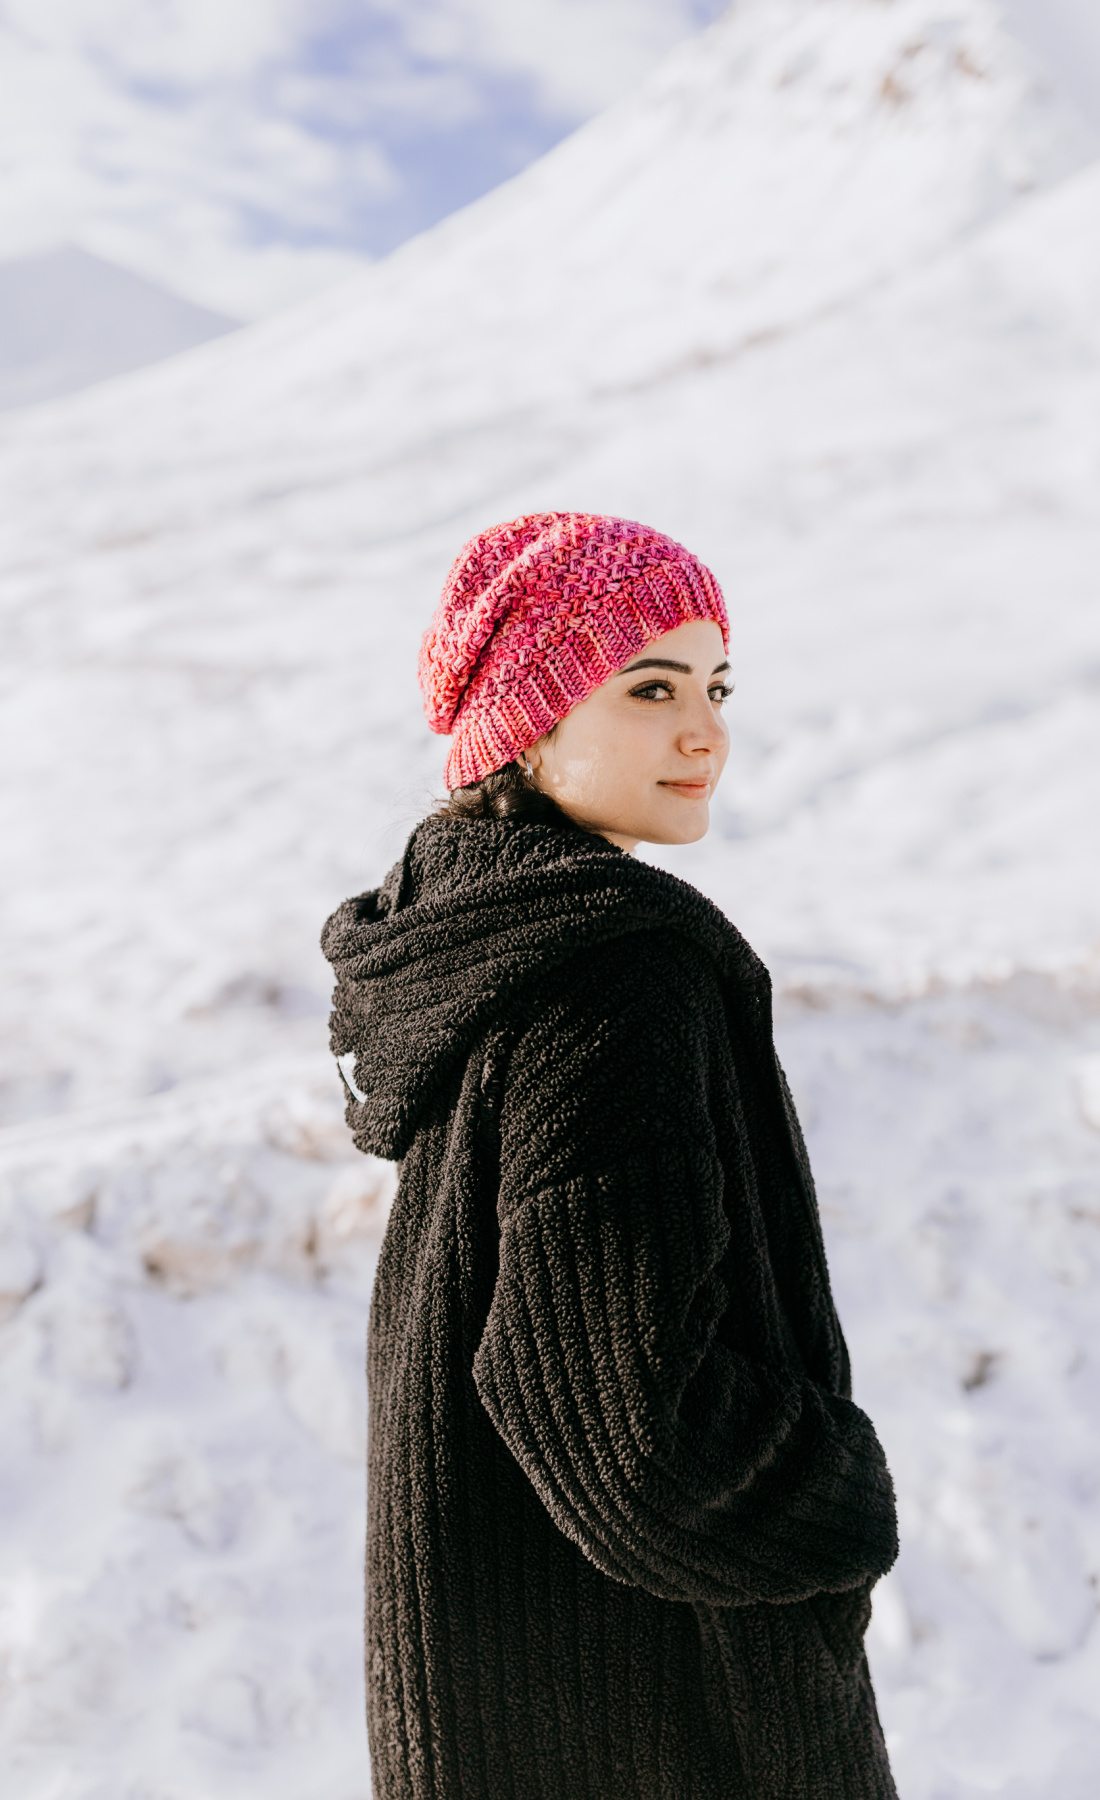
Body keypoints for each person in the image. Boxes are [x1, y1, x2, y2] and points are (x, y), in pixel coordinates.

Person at [321, 513, 899, 1800]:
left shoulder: (476, 942)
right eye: (650, 689)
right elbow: (624, 1424)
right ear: (526, 723)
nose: (705, 735)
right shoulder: (615, 974)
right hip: (671, 1725)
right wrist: (833, 1494)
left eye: (716, 689)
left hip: (505, 1714)